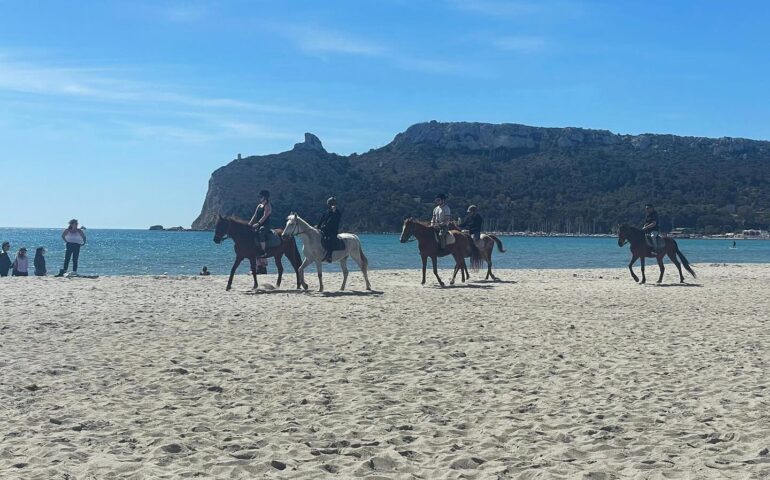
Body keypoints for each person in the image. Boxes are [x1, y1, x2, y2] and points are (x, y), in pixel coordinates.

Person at [248, 190, 272, 274]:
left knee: (261, 231)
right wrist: (249, 224)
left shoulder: (267, 205)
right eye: (259, 196)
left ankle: (263, 251)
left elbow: (266, 215)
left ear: (265, 197)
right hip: (258, 224)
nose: (259, 198)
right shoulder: (259, 206)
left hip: (265, 225)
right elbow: (254, 216)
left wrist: (258, 224)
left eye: (261, 197)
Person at [317, 197, 342, 263]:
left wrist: (334, 213)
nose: (330, 206)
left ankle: (329, 256)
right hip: (324, 230)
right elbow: (322, 220)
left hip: (332, 231)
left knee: (330, 239)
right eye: (329, 204)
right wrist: (318, 226)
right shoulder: (326, 212)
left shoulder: (337, 213)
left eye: (331, 204)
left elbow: (334, 221)